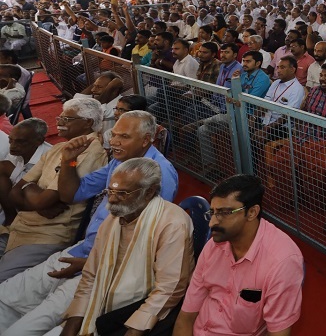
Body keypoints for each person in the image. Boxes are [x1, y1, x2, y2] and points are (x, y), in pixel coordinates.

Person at [0, 110, 178, 336]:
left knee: (29, 326)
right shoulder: (119, 162)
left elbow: (144, 244)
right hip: (81, 250)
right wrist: (69, 160)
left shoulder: (159, 175)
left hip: (105, 268)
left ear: (145, 140)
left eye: (124, 137)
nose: (114, 141)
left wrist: (90, 265)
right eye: (113, 135)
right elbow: (72, 194)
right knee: (5, 298)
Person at [59, 158, 193, 336]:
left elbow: (170, 288)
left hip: (146, 311)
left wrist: (134, 330)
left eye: (122, 193)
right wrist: (74, 321)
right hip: (105, 307)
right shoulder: (113, 219)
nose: (112, 199)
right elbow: (91, 275)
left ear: (148, 192)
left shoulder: (172, 223)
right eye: (110, 191)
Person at [173, 174, 304, 336]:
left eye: (224, 213)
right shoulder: (213, 246)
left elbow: (278, 333)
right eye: (212, 212)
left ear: (252, 213)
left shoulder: (282, 262)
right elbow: (186, 317)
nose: (212, 222)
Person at [0, 99, 108, 282]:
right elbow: (14, 193)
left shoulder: (89, 151)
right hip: (20, 226)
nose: (59, 122)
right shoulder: (58, 148)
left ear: (88, 122)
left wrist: (31, 193)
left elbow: (46, 200)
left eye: (67, 119)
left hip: (46, 235)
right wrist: (34, 196)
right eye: (60, 117)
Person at [0, 119, 53, 227]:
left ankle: (11, 219)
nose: (12, 146)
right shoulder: (15, 152)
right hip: (17, 197)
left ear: (39, 141)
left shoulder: (50, 156)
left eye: (20, 141)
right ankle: (10, 217)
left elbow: (46, 191)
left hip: (38, 199)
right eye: (10, 140)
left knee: (2, 167)